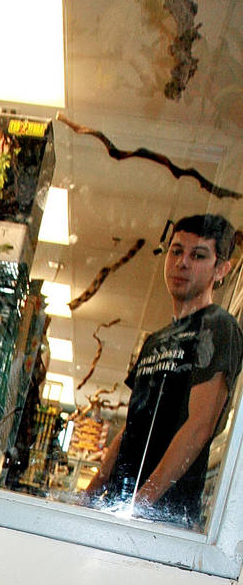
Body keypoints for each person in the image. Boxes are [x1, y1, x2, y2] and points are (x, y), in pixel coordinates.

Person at [84, 214, 243, 526]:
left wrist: (141, 505)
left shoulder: (218, 326)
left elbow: (200, 427)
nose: (182, 263)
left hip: (162, 517)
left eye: (198, 255)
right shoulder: (155, 341)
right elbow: (132, 426)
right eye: (176, 251)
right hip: (122, 507)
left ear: (221, 269)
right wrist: (90, 494)